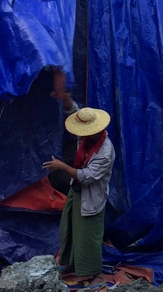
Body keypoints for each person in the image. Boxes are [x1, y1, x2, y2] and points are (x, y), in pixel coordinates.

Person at [43, 82, 115, 287]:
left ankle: (96, 274)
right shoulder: (87, 138)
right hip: (77, 191)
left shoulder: (104, 151)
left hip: (90, 194)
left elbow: (87, 176)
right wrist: (64, 96)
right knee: (71, 228)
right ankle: (72, 264)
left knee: (89, 235)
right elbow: (74, 111)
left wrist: (61, 166)